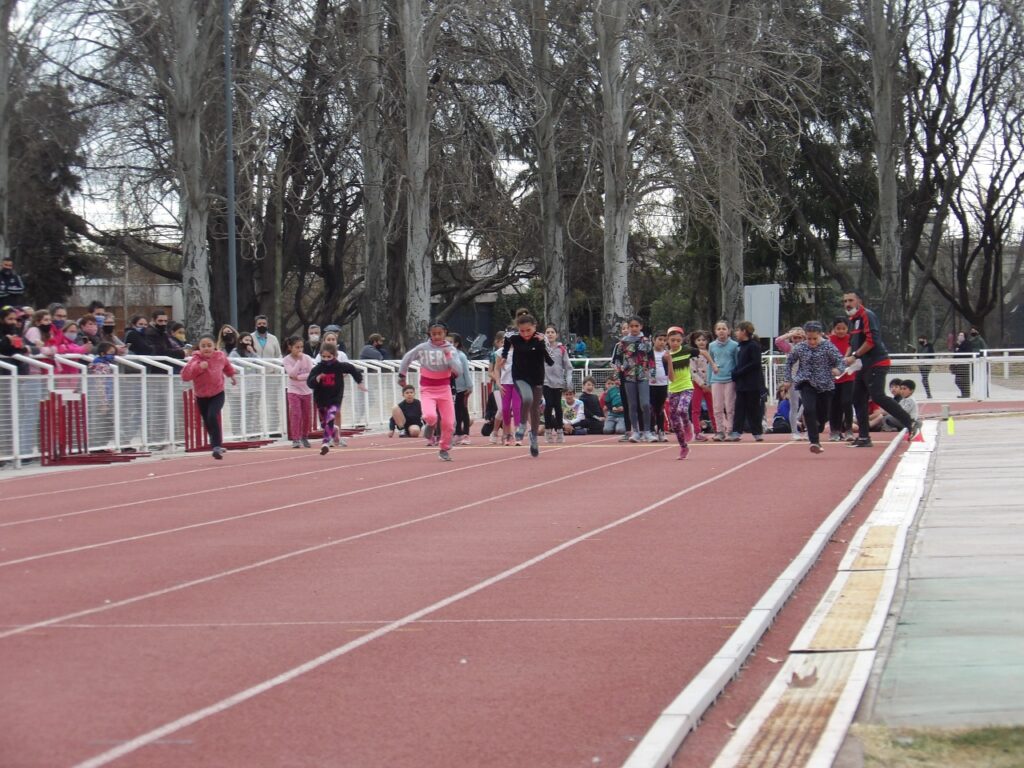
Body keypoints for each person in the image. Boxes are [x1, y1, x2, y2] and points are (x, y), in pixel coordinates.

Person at [843, 290, 920, 446]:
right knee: (858, 398)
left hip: (876, 362)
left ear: (859, 300)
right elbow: (852, 342)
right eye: (845, 301)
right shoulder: (853, 319)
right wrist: (846, 357)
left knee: (877, 396)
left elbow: (871, 341)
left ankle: (910, 422)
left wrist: (855, 356)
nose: (847, 304)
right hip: (862, 365)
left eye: (850, 300)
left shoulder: (867, 315)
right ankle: (864, 437)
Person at [399, 320, 464, 461]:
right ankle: (431, 424)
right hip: (427, 388)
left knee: (449, 422)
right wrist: (402, 375)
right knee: (430, 415)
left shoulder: (451, 349)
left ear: (445, 333)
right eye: (433, 334)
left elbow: (458, 370)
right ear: (430, 334)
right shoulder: (422, 348)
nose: (437, 337)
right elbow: (407, 358)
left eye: (440, 334)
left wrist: (448, 357)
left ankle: (444, 448)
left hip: (444, 388)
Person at [784, 321, 844, 454]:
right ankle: (814, 442)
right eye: (808, 338)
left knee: (823, 416)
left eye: (814, 338)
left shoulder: (828, 346)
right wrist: (788, 379)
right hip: (806, 382)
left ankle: (819, 424)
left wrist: (838, 370)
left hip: (825, 384)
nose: (811, 342)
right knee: (809, 410)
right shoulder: (800, 348)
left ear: (820, 335)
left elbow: (839, 360)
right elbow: (789, 362)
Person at [499, 313, 553, 457]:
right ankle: (522, 424)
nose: (525, 334)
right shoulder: (514, 338)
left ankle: (533, 437)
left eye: (528, 330)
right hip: (519, 376)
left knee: (535, 409)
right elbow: (506, 340)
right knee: (527, 398)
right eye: (522, 331)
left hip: (537, 377)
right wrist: (504, 356)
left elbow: (550, 361)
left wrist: (542, 345)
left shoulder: (541, 338)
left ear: (534, 327)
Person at [181, 334, 238, 459]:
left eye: (209, 345)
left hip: (218, 393)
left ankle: (216, 446)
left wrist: (232, 376)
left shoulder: (220, 356)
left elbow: (227, 366)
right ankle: (215, 444)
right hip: (201, 396)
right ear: (199, 348)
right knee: (207, 421)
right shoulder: (196, 360)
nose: (206, 348)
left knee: (212, 415)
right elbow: (185, 376)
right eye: (203, 346)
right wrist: (198, 368)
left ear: (214, 346)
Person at [308, 342, 366, 455]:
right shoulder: (318, 368)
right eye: (323, 357)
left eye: (329, 357)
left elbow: (352, 369)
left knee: (330, 418)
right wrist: (317, 379)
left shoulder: (339, 366)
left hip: (335, 398)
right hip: (321, 398)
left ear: (334, 356)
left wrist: (359, 382)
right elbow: (309, 383)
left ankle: (325, 443)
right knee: (324, 424)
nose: (326, 359)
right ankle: (334, 430)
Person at [612, 316, 656, 442]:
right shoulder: (623, 342)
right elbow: (617, 359)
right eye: (632, 326)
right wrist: (618, 373)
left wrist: (652, 373)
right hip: (628, 376)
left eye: (637, 326)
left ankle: (647, 431)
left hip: (643, 375)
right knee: (632, 405)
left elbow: (651, 358)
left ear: (641, 327)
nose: (634, 328)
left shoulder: (646, 341)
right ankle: (635, 431)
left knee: (645, 404)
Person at [666, 328, 699, 459]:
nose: (675, 343)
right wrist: (669, 361)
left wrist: (713, 364)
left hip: (687, 386)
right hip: (673, 389)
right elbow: (671, 378)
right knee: (674, 421)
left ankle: (687, 425)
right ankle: (683, 447)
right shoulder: (666, 356)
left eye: (678, 340)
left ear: (682, 340)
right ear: (668, 341)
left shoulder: (687, 350)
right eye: (673, 340)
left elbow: (703, 352)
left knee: (682, 409)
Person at [730, 320, 765, 442]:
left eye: (738, 330)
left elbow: (755, 363)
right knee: (739, 407)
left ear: (744, 331)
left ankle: (757, 432)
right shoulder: (739, 346)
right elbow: (739, 362)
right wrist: (735, 372)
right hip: (741, 384)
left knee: (753, 408)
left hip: (752, 383)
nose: (736, 333)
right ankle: (736, 431)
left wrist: (739, 372)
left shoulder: (754, 345)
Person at [774, 326, 807, 440]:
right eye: (795, 337)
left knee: (809, 404)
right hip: (793, 379)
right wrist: (789, 334)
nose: (797, 340)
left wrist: (805, 335)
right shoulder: (789, 348)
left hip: (807, 379)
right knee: (794, 405)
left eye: (799, 337)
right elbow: (778, 341)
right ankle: (794, 432)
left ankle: (808, 430)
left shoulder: (808, 346)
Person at [543, 324, 574, 443]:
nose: (550, 334)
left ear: (556, 335)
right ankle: (548, 431)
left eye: (552, 332)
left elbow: (568, 367)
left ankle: (560, 431)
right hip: (545, 381)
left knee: (557, 405)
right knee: (548, 404)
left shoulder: (562, 349)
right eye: (548, 332)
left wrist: (568, 380)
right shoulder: (542, 348)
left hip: (558, 382)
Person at [282, 335, 314, 448]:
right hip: (293, 391)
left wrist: (299, 377)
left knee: (306, 415)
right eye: (297, 347)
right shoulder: (286, 360)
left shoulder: (308, 358)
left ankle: (304, 436)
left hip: (306, 391)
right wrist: (299, 362)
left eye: (301, 347)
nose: (300, 350)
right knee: (296, 414)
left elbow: (311, 373)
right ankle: (295, 438)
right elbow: (291, 374)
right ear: (290, 347)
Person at [708, 320, 737, 441]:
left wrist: (737, 378)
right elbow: (710, 363)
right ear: (715, 331)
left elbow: (737, 362)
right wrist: (709, 380)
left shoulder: (734, 345)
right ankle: (720, 430)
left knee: (730, 406)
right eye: (719, 329)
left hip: (730, 379)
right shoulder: (712, 346)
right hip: (716, 379)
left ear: (729, 331)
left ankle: (730, 430)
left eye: (724, 328)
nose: (721, 331)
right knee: (717, 406)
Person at [829, 317, 855, 441]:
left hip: (848, 376)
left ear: (847, 329)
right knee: (834, 404)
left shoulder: (852, 340)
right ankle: (835, 430)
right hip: (833, 377)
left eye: (843, 328)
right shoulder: (829, 340)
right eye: (838, 328)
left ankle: (849, 429)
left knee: (846, 402)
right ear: (834, 329)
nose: (841, 331)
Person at [688, 330, 716, 441]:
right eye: (698, 340)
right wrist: (702, 384)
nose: (701, 342)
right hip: (697, 384)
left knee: (713, 408)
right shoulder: (692, 355)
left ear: (708, 341)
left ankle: (717, 429)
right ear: (694, 341)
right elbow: (692, 371)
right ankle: (697, 432)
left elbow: (714, 367)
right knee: (696, 409)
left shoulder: (711, 352)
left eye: (704, 340)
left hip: (710, 384)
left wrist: (709, 383)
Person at [449, 332, 473, 445]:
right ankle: (458, 433)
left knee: (463, 410)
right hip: (451, 388)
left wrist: (469, 386)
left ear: (457, 344)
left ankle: (466, 434)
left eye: (450, 342)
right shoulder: (445, 355)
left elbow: (466, 372)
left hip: (462, 387)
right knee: (455, 412)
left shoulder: (461, 356)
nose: (448, 344)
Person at [649, 330, 671, 442]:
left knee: (660, 408)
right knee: (651, 407)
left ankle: (661, 430)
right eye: (660, 340)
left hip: (663, 383)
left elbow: (671, 369)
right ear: (654, 340)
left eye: (664, 340)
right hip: (650, 384)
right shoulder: (649, 353)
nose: (662, 342)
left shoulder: (667, 354)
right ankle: (652, 430)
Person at [916, 334, 934, 398]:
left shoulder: (929, 346)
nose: (920, 341)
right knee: (924, 379)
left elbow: (932, 356)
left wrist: (928, 362)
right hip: (921, 365)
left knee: (924, 378)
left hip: (927, 365)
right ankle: (928, 394)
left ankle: (928, 394)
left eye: (921, 340)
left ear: (925, 340)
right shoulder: (920, 347)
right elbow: (918, 356)